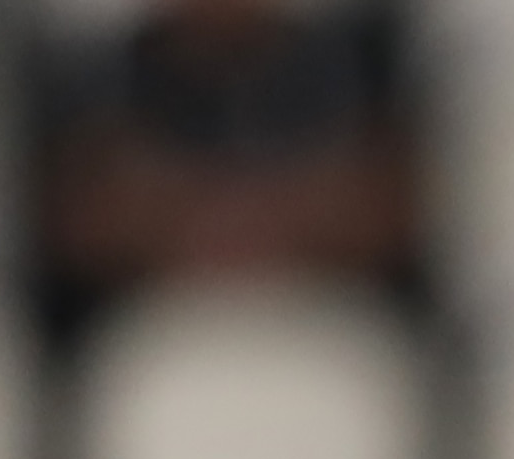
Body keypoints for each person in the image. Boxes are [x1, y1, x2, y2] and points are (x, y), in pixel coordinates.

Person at [35, 0, 413, 313]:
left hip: (330, 312)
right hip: (157, 318)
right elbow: (79, 226)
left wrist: (233, 222)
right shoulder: (99, 79)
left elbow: (391, 212)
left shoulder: (358, 62)